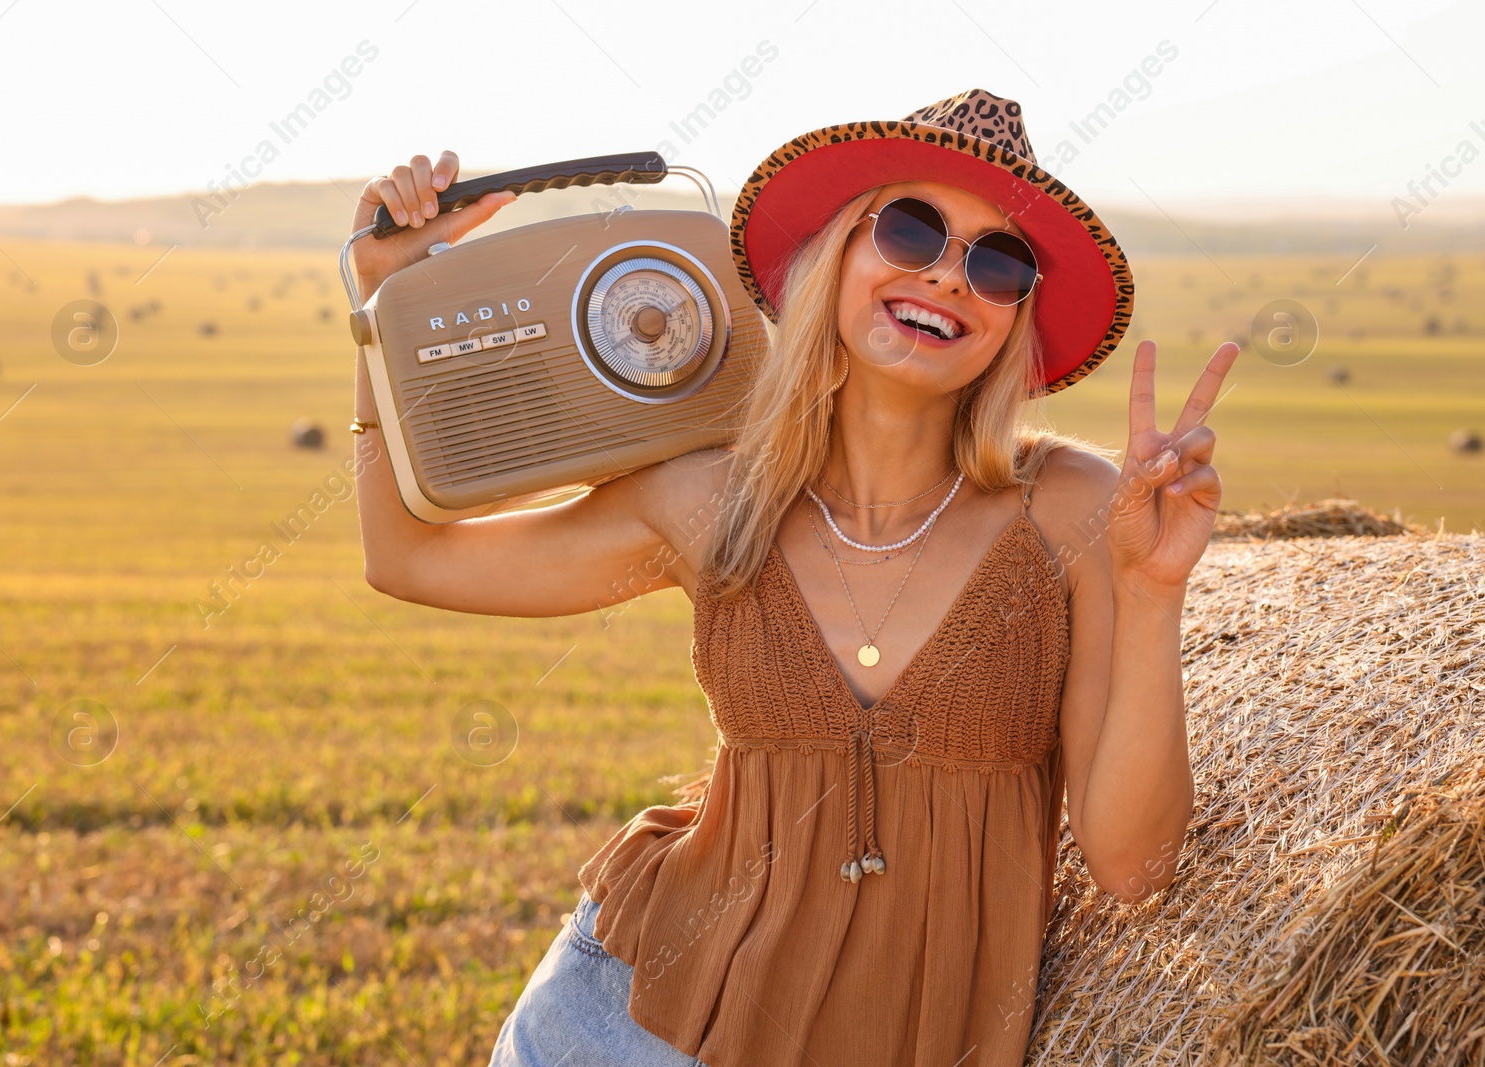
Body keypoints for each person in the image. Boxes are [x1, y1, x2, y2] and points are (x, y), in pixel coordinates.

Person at [347, 88, 1238, 1067]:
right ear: (833, 255)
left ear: (1015, 315)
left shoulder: (1070, 510)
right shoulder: (709, 494)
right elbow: (410, 556)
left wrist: (1153, 588)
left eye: (997, 261)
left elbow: (1132, 862)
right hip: (633, 1021)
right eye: (910, 229)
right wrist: (381, 306)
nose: (947, 274)